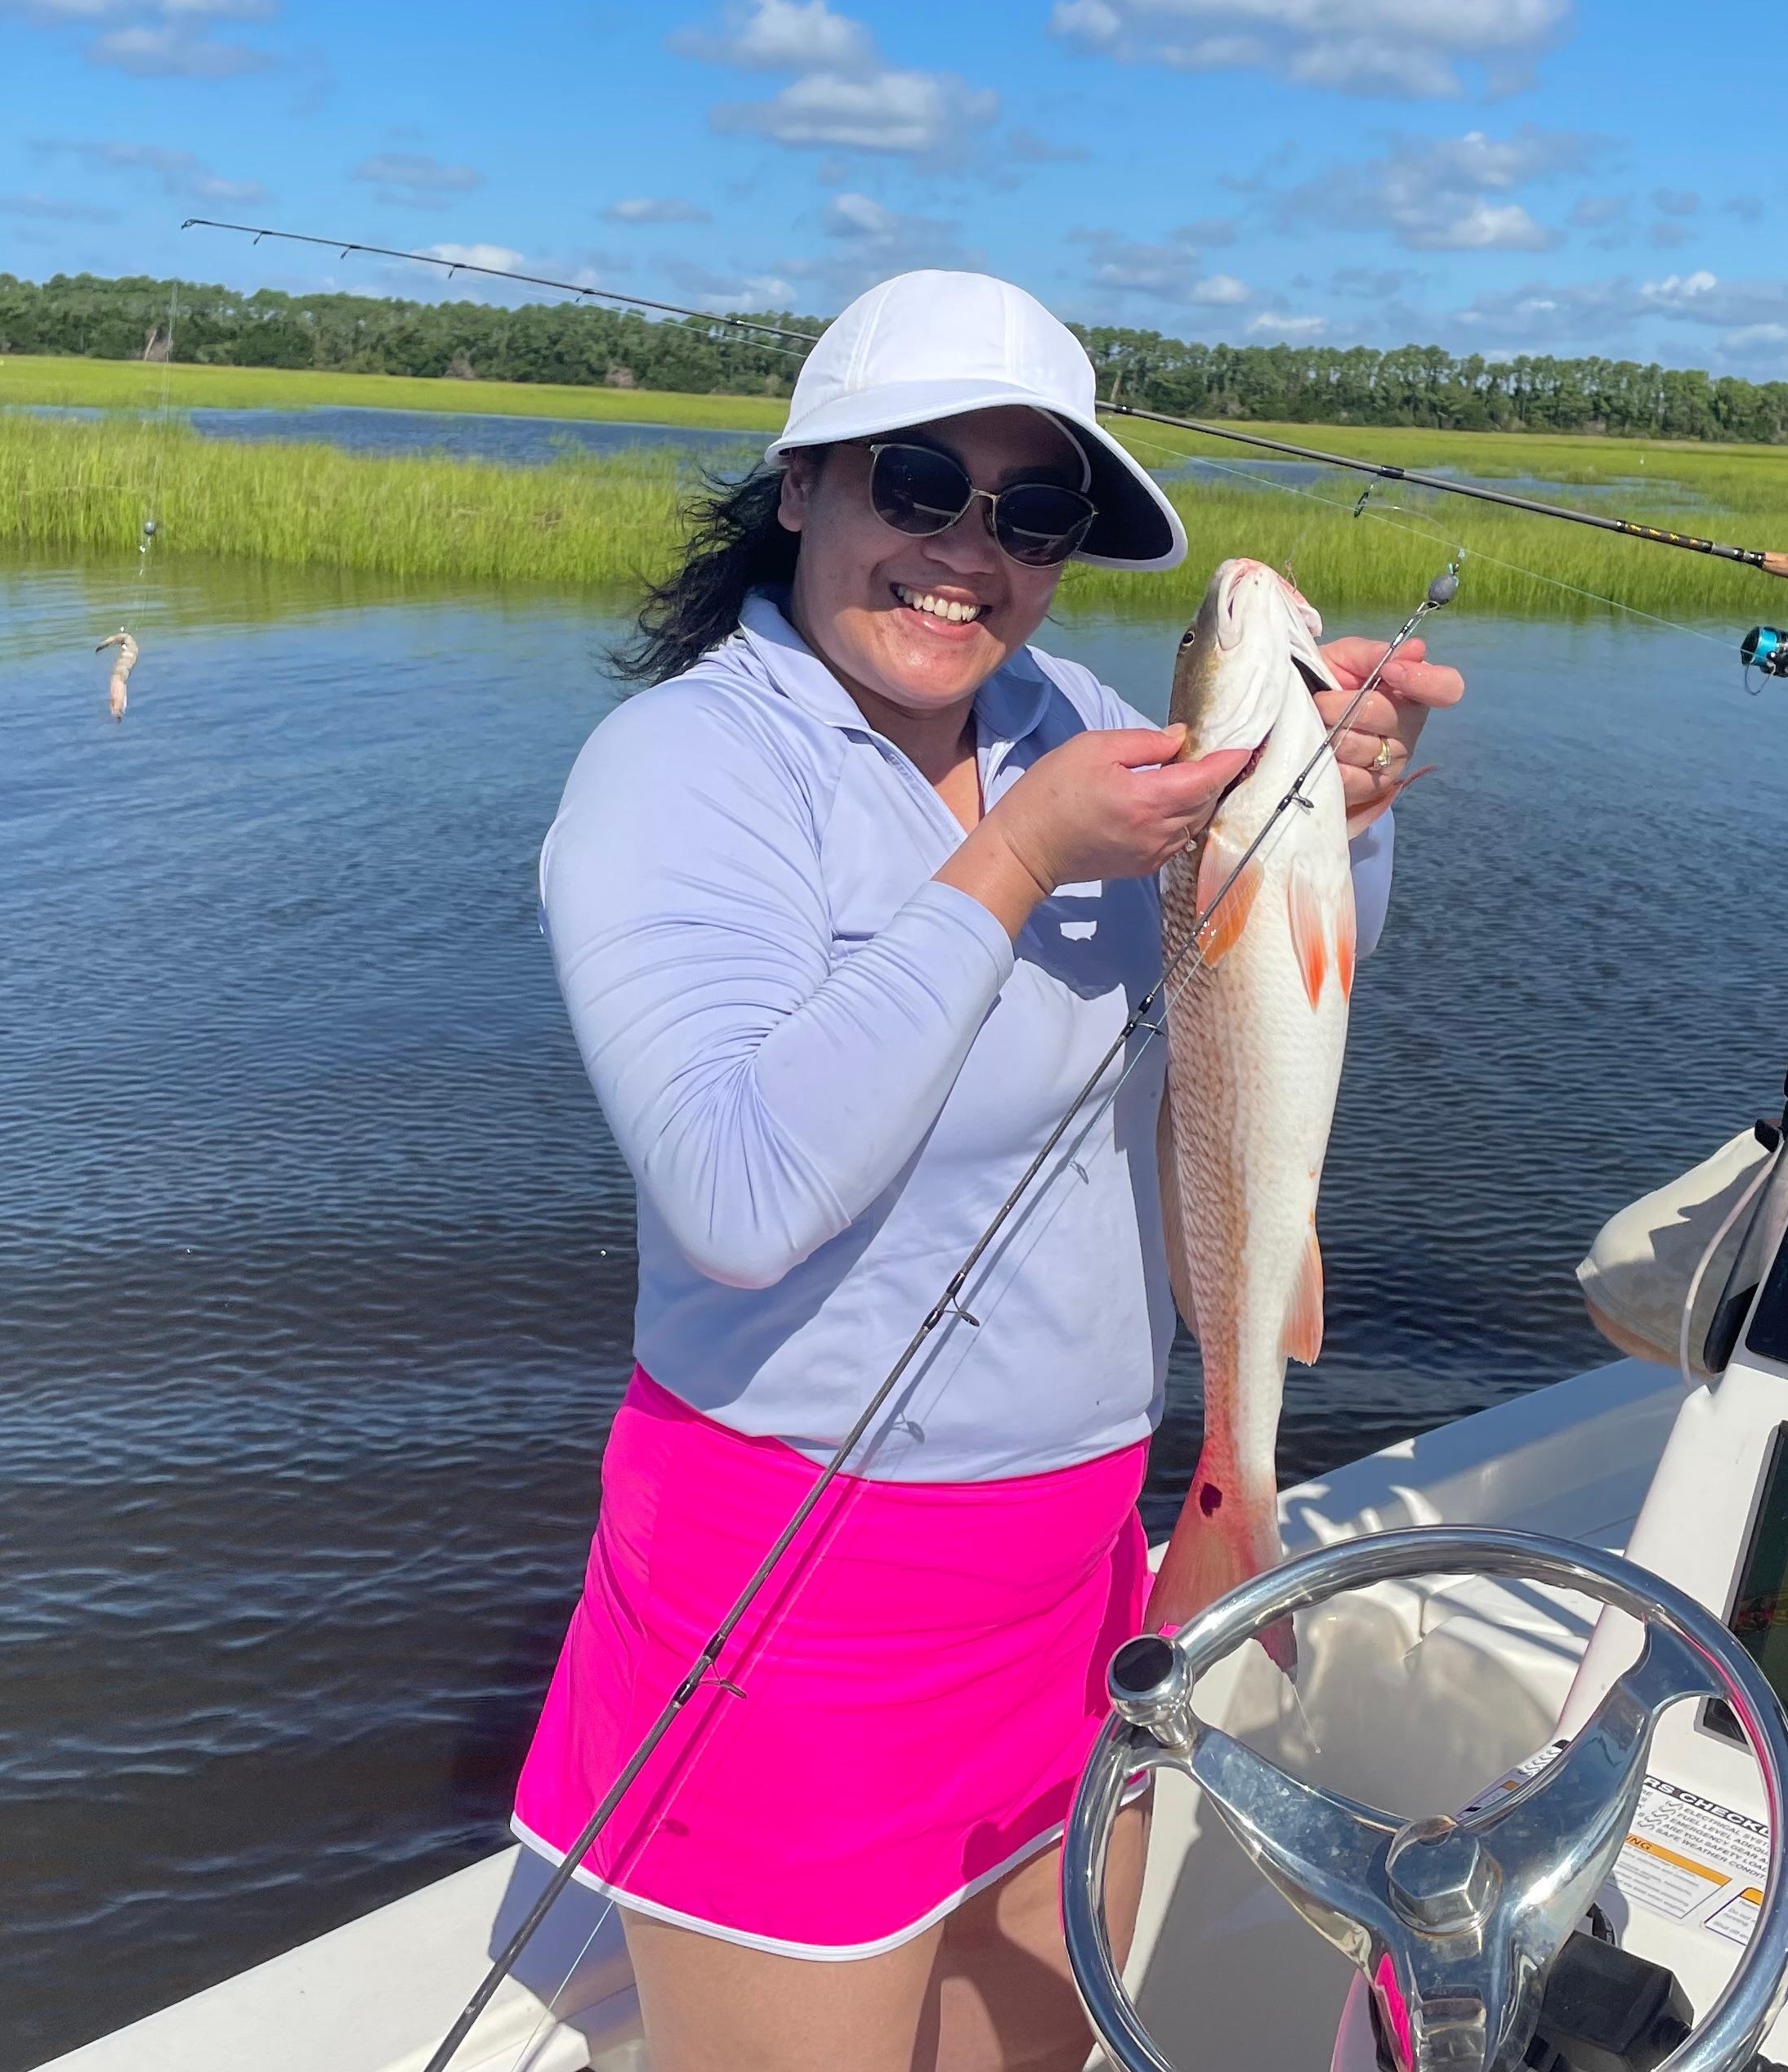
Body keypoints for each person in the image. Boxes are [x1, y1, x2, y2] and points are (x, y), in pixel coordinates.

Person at [511, 269, 1462, 2072]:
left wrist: (1340, 823)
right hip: (799, 1593)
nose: (971, 550)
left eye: (1034, 511)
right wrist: (1019, 860)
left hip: (1080, 1553)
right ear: (801, 483)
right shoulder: (680, 770)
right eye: (918, 483)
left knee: (1044, 2048)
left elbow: (1250, 1016)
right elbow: (735, 1192)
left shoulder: (1072, 719)